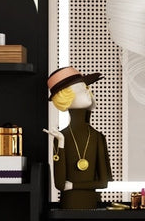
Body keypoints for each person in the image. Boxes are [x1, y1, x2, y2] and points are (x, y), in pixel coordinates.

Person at [44, 67, 112, 209]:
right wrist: (61, 143)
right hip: (68, 205)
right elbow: (60, 184)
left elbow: (104, 183)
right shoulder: (61, 137)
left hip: (93, 205)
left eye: (86, 87)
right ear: (65, 98)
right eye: (81, 89)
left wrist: (73, 185)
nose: (88, 91)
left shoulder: (98, 137)